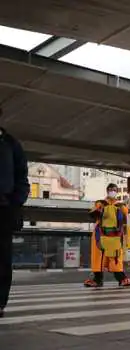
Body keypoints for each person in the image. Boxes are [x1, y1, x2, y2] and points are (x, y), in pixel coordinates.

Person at [0, 122, 29, 318]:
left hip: (2, 209)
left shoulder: (11, 144)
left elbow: (22, 178)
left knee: (1, 258)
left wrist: (14, 202)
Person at [83, 183, 130, 288]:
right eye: (110, 190)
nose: (112, 191)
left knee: (115, 258)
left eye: (114, 190)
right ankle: (97, 280)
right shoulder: (100, 203)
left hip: (115, 236)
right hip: (100, 235)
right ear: (107, 191)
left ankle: (122, 278)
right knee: (99, 258)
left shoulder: (120, 205)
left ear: (117, 191)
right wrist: (97, 211)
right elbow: (92, 214)